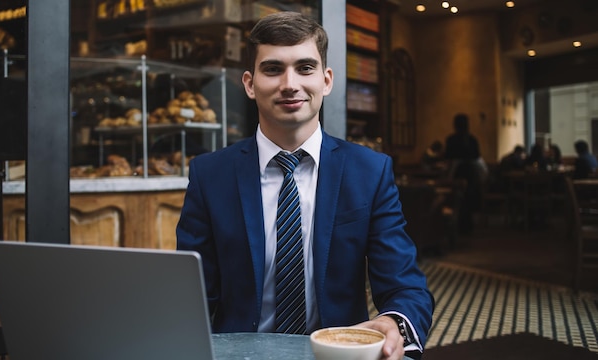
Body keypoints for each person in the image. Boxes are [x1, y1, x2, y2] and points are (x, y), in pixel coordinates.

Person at [176, 12, 433, 360]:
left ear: (326, 80)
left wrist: (394, 321)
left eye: (305, 68)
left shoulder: (370, 172)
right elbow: (192, 298)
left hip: (338, 354)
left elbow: (405, 285)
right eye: (273, 69)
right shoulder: (210, 175)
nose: (289, 83)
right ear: (250, 84)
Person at [444, 113, 482, 235]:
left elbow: (448, 156)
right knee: (468, 199)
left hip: (457, 171)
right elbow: (477, 155)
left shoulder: (451, 140)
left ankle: (457, 226)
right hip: (470, 172)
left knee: (456, 199)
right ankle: (467, 226)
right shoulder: (472, 140)